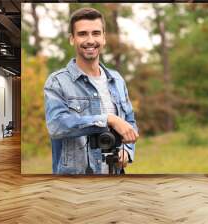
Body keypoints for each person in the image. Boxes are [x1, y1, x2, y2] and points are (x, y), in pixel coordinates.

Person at [44, 7, 139, 174]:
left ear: (103, 38)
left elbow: (129, 122)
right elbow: (56, 125)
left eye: (96, 33)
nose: (90, 40)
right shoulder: (57, 82)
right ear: (72, 39)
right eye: (82, 34)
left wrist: (127, 150)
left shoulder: (117, 80)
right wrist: (108, 119)